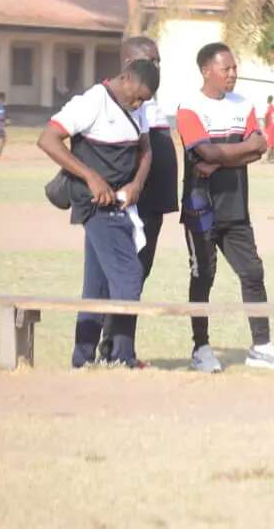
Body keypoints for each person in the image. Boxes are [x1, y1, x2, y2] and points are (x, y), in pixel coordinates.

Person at [176, 42, 274, 373]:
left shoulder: (244, 104)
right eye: (226, 68)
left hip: (236, 207)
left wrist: (219, 160)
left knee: (253, 272)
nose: (233, 74)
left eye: (234, 68)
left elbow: (260, 146)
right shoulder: (189, 108)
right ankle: (200, 348)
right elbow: (210, 153)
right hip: (202, 207)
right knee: (204, 276)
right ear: (206, 71)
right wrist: (236, 152)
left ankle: (262, 347)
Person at [37, 60, 159, 367]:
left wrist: (137, 184)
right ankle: (122, 358)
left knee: (98, 286)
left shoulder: (138, 108)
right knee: (130, 278)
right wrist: (91, 176)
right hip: (94, 203)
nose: (138, 104)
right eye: (137, 96)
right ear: (125, 78)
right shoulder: (92, 102)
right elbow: (47, 139)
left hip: (122, 202)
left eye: (144, 100)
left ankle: (82, 359)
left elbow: (146, 149)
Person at [98, 37, 180, 362]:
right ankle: (115, 351)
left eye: (159, 61)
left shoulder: (153, 105)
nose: (157, 68)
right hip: (131, 206)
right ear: (130, 65)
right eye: (151, 61)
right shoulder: (121, 105)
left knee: (138, 277)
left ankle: (119, 349)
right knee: (123, 277)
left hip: (154, 206)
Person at [263, 95, 274, 163]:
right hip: (273, 127)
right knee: (272, 142)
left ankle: (269, 157)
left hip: (269, 127)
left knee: (270, 142)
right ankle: (271, 157)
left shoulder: (269, 108)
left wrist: (265, 127)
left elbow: (265, 117)